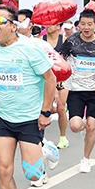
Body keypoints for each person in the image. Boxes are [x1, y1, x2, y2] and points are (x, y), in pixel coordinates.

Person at [0, 6, 56, 189]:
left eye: (0, 22)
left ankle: (44, 149)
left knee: (33, 175)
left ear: (14, 26)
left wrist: (46, 112)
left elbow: (50, 79)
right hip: (4, 117)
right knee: (4, 171)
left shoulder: (30, 49)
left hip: (30, 118)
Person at [59, 9, 95, 173]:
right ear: (79, 25)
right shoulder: (71, 41)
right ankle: (82, 128)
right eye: (83, 24)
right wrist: (62, 79)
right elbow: (61, 60)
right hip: (76, 90)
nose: (87, 27)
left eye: (90, 24)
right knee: (76, 126)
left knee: (91, 126)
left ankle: (86, 159)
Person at [41, 20, 70, 149]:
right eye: (46, 24)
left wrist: (61, 80)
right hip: (47, 78)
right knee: (44, 107)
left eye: (51, 24)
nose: (47, 26)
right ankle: (40, 137)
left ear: (58, 26)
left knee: (60, 107)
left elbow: (67, 60)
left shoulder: (64, 40)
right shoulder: (41, 40)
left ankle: (63, 137)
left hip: (62, 78)